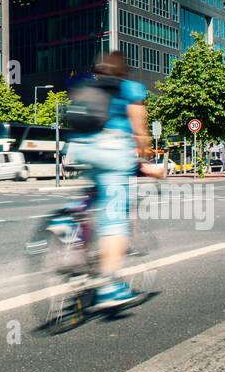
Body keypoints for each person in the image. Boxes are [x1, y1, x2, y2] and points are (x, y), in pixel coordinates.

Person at [62, 50, 164, 311]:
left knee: (96, 194)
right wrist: (146, 160)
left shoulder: (89, 86)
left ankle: (70, 221)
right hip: (112, 148)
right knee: (115, 219)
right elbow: (140, 132)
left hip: (82, 146)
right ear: (123, 71)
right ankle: (109, 287)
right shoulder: (130, 88)